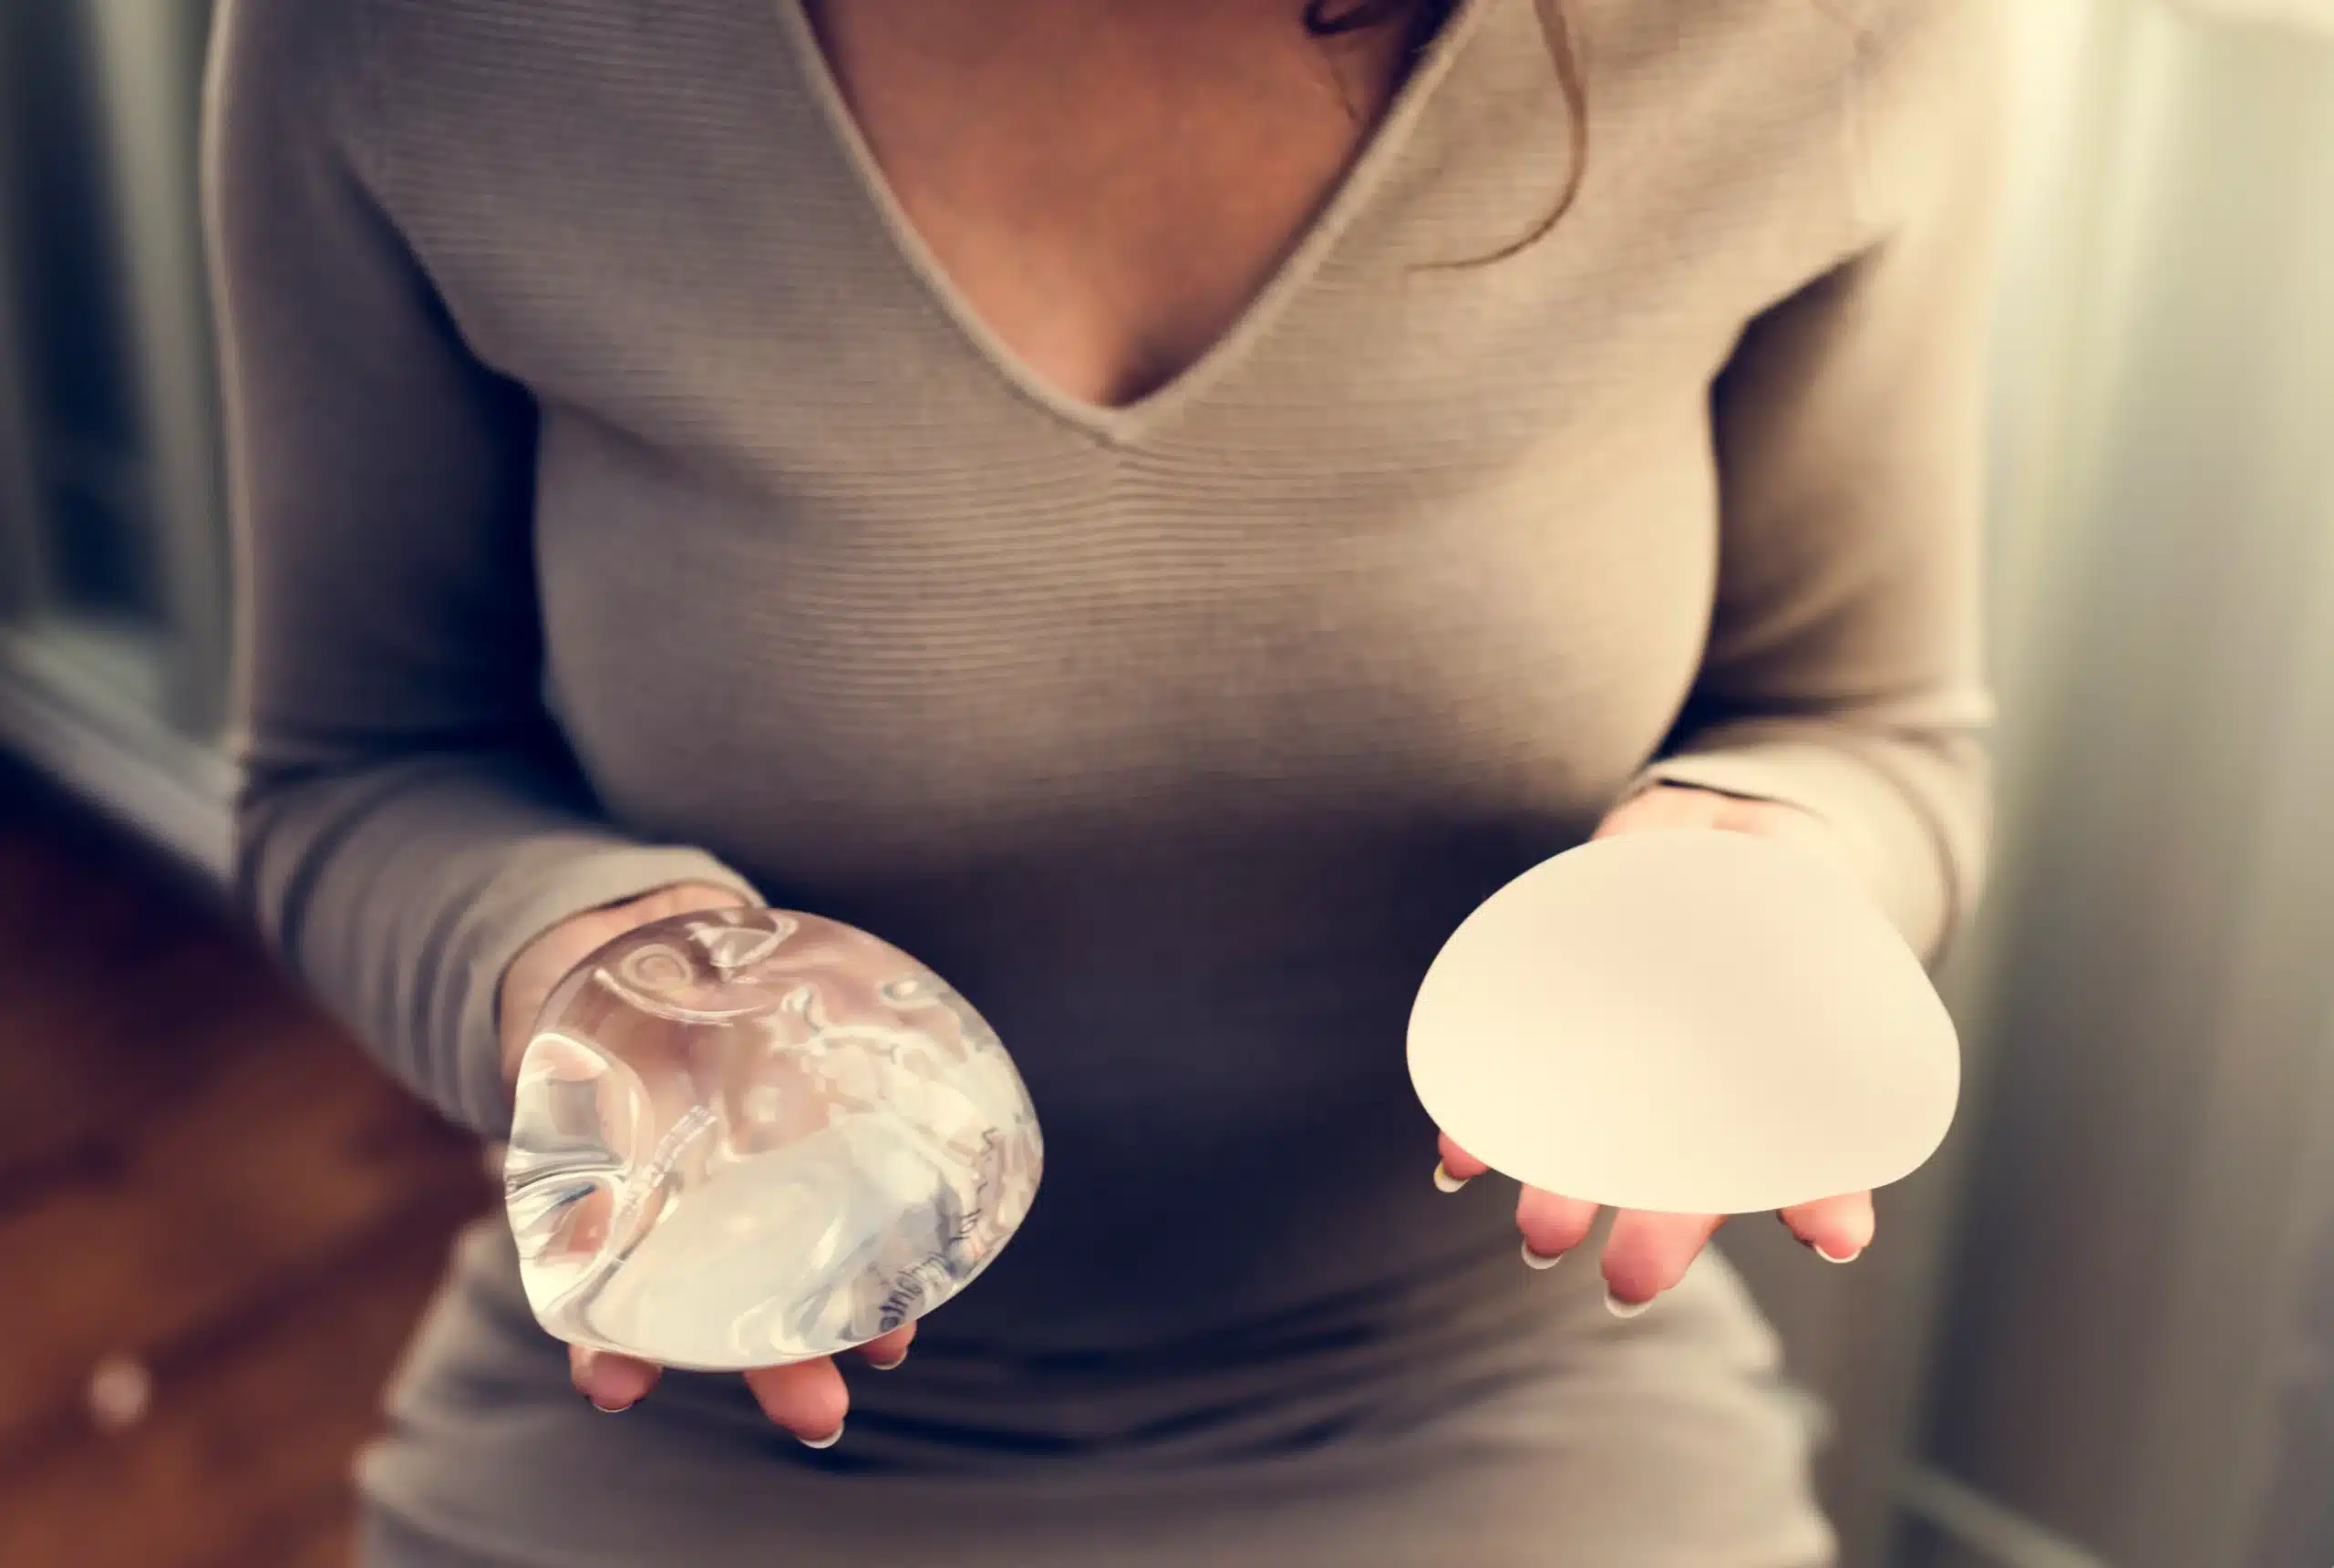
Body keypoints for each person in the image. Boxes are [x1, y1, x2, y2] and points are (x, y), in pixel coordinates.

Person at [207, 0, 2003, 1562]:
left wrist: (1768, 854)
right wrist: (587, 965)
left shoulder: (1812, 32)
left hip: (1496, 1376)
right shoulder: (418, 43)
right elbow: (358, 771)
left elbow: (1871, 725)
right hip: (706, 1368)